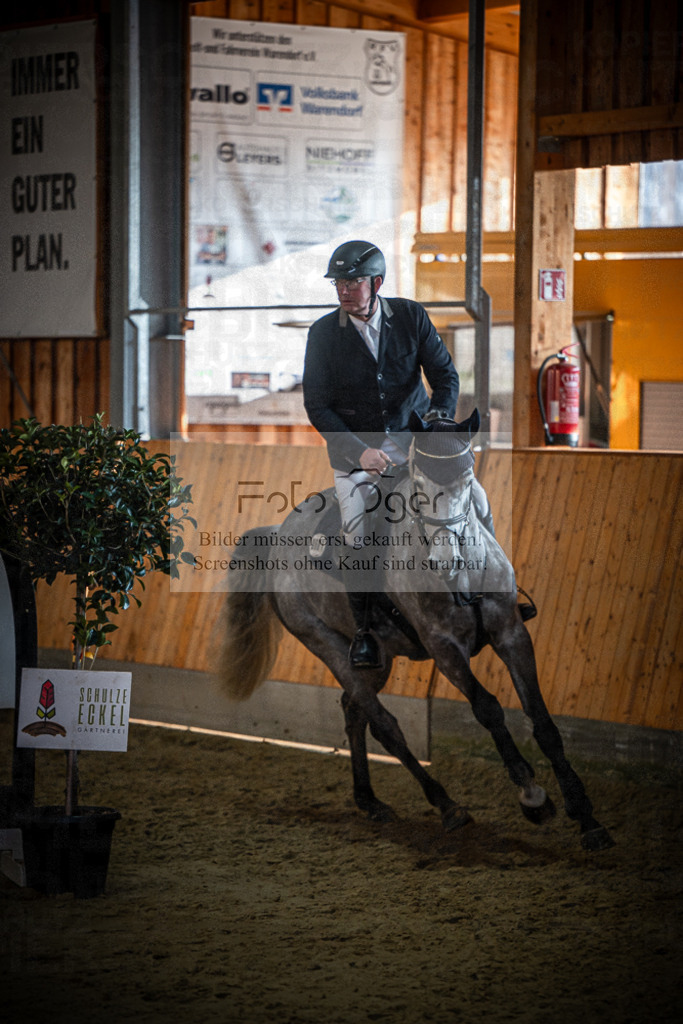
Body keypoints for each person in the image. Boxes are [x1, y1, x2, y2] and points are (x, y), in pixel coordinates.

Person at [303, 240, 498, 669]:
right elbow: (318, 406)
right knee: (356, 533)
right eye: (339, 282)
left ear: (376, 282)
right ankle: (365, 633)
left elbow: (444, 375)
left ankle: (498, 596)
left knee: (477, 502)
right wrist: (361, 451)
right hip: (357, 456)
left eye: (352, 281)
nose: (343, 290)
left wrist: (437, 423)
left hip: (418, 444)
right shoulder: (322, 334)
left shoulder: (410, 316)